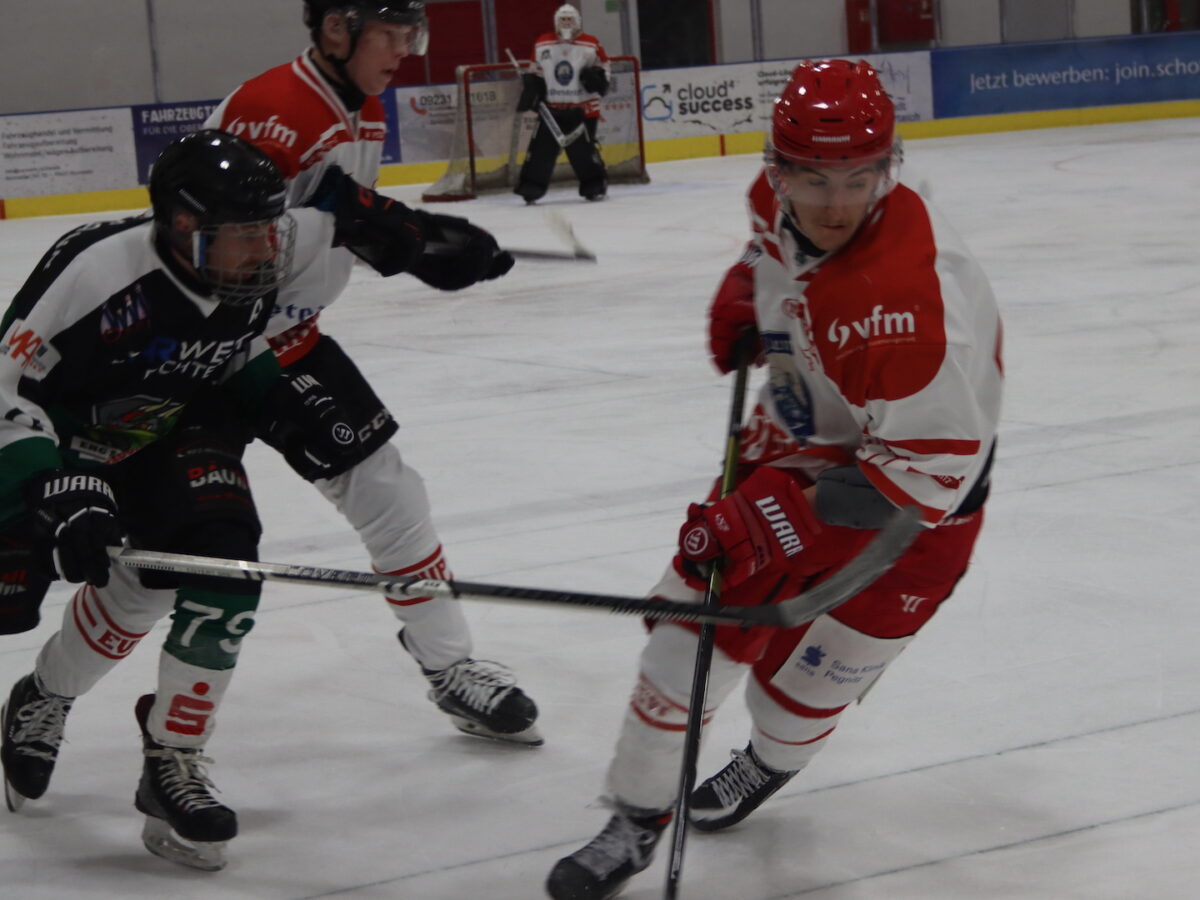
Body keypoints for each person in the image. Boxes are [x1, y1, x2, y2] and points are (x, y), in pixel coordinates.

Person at [545, 59, 1003, 899]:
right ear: (778, 169)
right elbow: (779, 249)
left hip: (913, 505)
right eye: (812, 178)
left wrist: (771, 522)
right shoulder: (775, 202)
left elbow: (929, 475)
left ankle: (770, 759)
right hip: (799, 440)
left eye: (858, 179)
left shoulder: (902, 307)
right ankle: (637, 813)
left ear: (888, 167)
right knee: (689, 630)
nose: (835, 204)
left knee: (799, 699)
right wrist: (751, 290)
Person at [0, 130, 349, 870]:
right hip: (53, 451)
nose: (265, 251)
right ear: (184, 227)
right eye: (246, 234)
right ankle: (44, 696)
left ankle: (173, 756)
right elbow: (4, 384)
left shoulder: (243, 271)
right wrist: (50, 481)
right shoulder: (97, 271)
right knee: (27, 599)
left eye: (269, 230)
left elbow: (235, 353)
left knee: (223, 566)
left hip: (161, 434)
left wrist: (286, 405)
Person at [202, 0, 542, 746]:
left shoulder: (363, 106)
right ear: (336, 28)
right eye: (390, 33)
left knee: (391, 494)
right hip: (210, 354)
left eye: (409, 33)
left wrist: (422, 244)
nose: (404, 51)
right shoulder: (272, 109)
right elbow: (219, 246)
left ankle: (448, 665)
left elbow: (333, 217)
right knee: (170, 550)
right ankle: (55, 695)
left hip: (292, 341)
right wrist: (382, 228)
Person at [513, 3, 611, 204]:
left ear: (578, 22)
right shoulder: (543, 42)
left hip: (582, 108)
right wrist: (533, 87)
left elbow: (605, 66)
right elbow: (536, 69)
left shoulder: (591, 43)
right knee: (541, 150)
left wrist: (598, 79)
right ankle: (532, 187)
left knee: (583, 153)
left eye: (570, 19)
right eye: (563, 19)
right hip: (551, 109)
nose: (566, 23)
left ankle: (594, 185)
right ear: (556, 22)